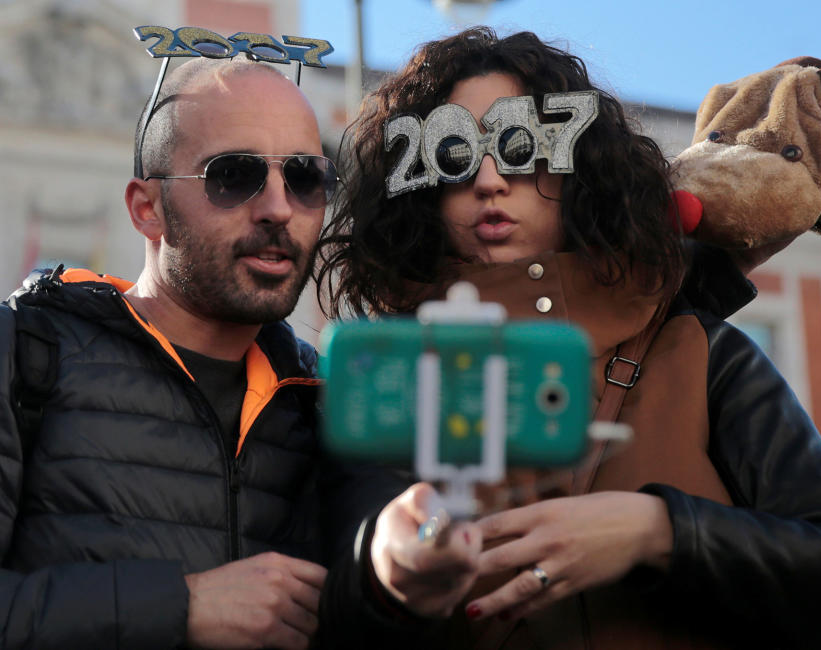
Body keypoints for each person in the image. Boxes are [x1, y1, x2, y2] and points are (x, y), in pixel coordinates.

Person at [317, 27, 821, 649]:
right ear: (418, 185)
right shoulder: (385, 372)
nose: (490, 179)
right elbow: (333, 620)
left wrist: (658, 532)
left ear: (580, 164)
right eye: (454, 153)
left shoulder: (696, 351)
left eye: (521, 143)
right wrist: (390, 575)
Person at [0, 55, 477, 649]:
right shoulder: (22, 352)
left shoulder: (329, 397)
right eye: (233, 175)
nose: (279, 208)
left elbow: (362, 614)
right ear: (148, 209)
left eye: (305, 178)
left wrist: (403, 581)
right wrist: (183, 606)